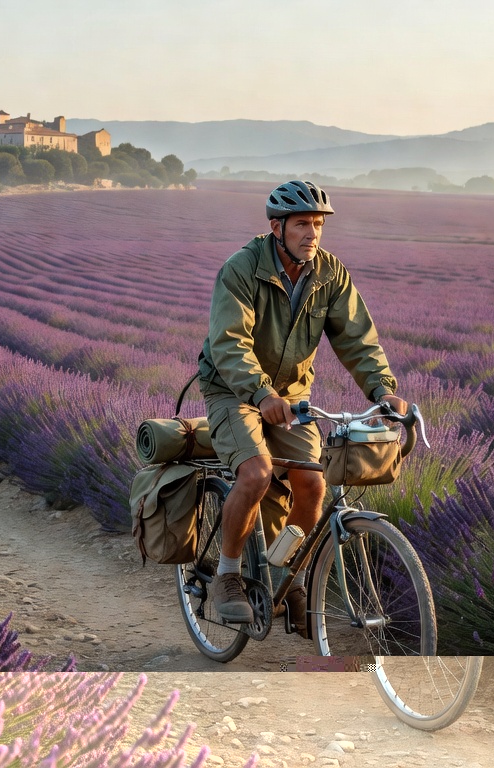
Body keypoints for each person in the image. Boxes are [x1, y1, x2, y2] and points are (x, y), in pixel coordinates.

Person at [197, 180, 407, 635]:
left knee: (313, 483)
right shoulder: (241, 269)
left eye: (318, 224)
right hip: (233, 391)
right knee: (254, 473)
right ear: (276, 227)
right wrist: (260, 394)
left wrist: (383, 392)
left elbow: (358, 339)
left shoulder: (329, 274)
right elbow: (229, 344)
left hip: (290, 396)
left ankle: (283, 575)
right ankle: (228, 576)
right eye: (301, 225)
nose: (312, 233)